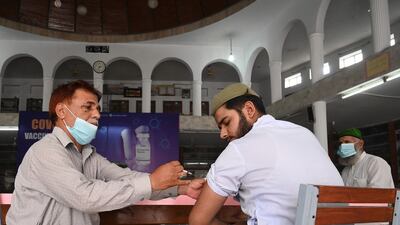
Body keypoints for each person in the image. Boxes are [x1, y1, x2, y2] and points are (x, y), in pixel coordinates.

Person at [6, 80, 205, 225]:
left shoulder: (89, 155)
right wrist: (152, 181)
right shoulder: (45, 151)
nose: (97, 114)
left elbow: (127, 178)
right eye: (88, 107)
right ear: (61, 111)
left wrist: (180, 188)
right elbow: (85, 197)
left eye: (98, 108)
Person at [189, 83, 344, 225]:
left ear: (249, 110)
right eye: (220, 127)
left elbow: (197, 221)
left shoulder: (239, 148)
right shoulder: (305, 133)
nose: (222, 134)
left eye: (227, 122)